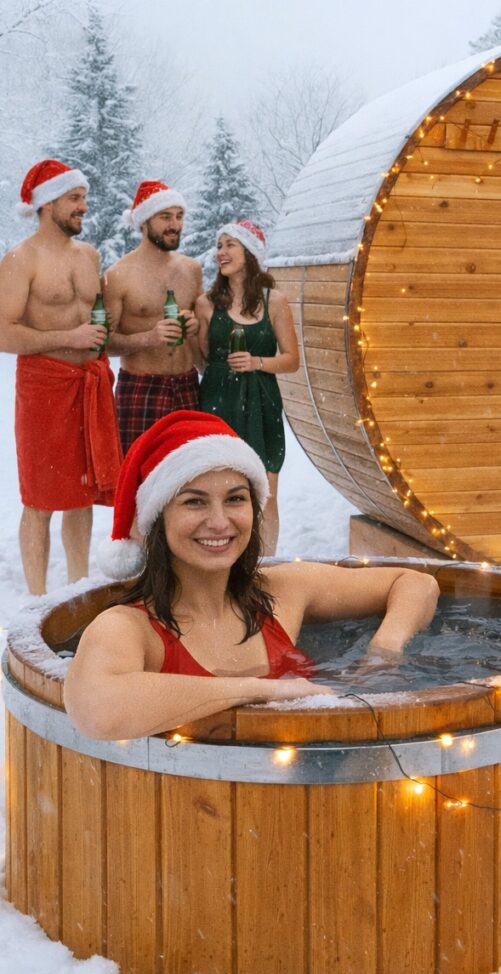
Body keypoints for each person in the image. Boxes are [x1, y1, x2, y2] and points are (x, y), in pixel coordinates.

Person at [64, 411, 441, 740]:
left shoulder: (281, 590)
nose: (219, 521)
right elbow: (97, 710)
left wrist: (383, 654)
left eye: (235, 499)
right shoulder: (128, 627)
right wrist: (260, 691)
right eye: (194, 501)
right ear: (156, 519)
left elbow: (415, 584)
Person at [0, 159, 122, 595]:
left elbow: (102, 314)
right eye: (74, 198)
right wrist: (69, 335)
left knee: (83, 493)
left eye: (84, 198)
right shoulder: (20, 260)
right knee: (40, 497)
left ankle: (77, 589)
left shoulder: (89, 255)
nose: (83, 207)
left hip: (89, 383)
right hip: (44, 387)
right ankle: (35, 599)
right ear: (47, 202)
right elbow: (4, 332)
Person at [196, 220, 299, 554]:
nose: (221, 253)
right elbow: (202, 357)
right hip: (218, 402)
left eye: (230, 245)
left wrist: (257, 363)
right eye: (219, 245)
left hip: (262, 401)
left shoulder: (275, 301)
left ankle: (266, 564)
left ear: (250, 253)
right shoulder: (206, 304)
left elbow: (291, 359)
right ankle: (228, 561)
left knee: (265, 488)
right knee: (222, 486)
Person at [104, 180, 202, 452]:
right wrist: (149, 337)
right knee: (137, 477)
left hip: (187, 385)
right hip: (140, 387)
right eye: (165, 217)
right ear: (144, 222)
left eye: (179, 216)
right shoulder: (118, 275)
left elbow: (200, 333)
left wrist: (195, 326)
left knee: (189, 478)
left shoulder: (192, 270)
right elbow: (104, 343)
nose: (175, 225)